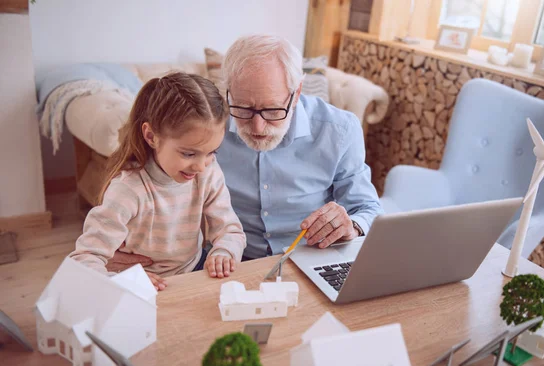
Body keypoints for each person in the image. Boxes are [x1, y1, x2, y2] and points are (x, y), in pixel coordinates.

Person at [107, 34, 383, 269]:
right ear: (228, 92)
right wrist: (120, 248)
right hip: (225, 260)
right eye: (244, 109)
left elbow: (367, 208)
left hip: (309, 259)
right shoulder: (206, 128)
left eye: (272, 111)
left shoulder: (340, 129)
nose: (258, 126)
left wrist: (353, 225)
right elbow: (135, 185)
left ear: (296, 93)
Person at [69, 72, 246, 290]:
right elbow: (84, 259)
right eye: (189, 154)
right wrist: (124, 280)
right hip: (142, 283)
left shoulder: (208, 172)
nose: (201, 166)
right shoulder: (128, 190)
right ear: (151, 137)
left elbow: (231, 230)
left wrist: (224, 251)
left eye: (211, 152)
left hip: (195, 270)